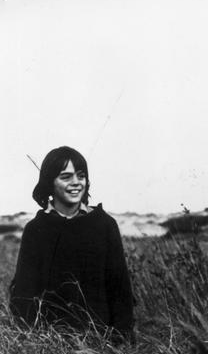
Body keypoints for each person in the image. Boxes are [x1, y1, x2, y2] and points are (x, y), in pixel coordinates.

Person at [10, 146, 134, 343]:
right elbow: (24, 294)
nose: (76, 183)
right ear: (50, 182)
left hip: (102, 345)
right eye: (66, 177)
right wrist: (32, 344)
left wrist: (121, 342)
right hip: (49, 346)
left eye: (81, 175)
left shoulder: (104, 225)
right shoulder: (36, 230)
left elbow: (120, 292)